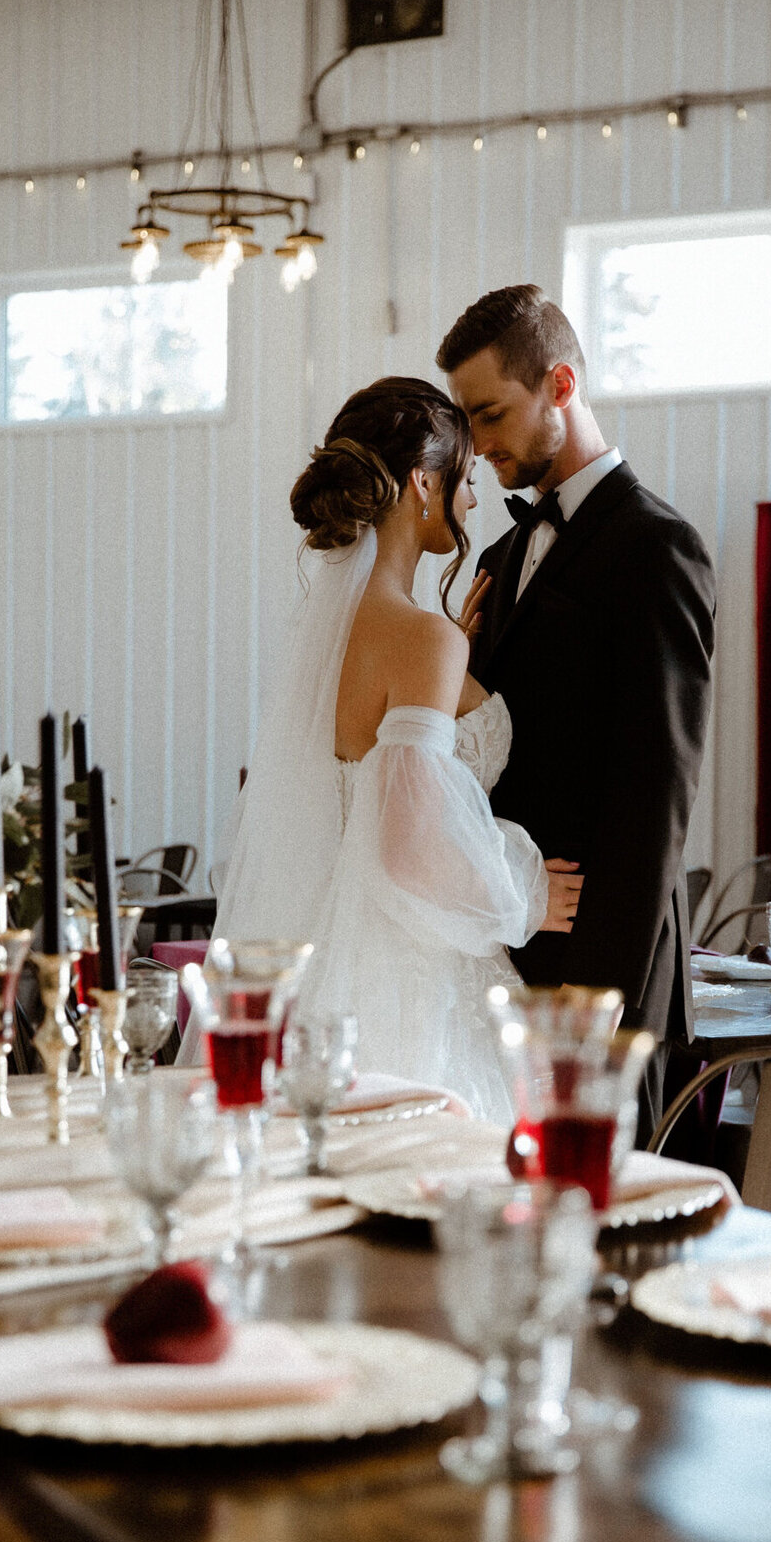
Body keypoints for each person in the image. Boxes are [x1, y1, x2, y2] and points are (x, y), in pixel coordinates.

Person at [187, 376, 582, 1122]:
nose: (471, 502)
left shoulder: (340, 638)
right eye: (464, 481)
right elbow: (407, 844)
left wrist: (451, 661)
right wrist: (524, 890)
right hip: (411, 972)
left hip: (337, 957)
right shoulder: (421, 638)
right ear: (421, 483)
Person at [437, 285, 716, 1140]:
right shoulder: (505, 550)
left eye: (490, 416)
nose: (477, 448)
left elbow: (653, 797)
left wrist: (592, 1004)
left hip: (596, 983)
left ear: (560, 385)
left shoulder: (656, 547)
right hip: (509, 953)